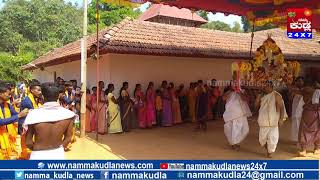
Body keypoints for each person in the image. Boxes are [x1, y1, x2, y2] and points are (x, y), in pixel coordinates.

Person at [24, 83, 75, 160]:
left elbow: (28, 142)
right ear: (58, 96)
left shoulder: (33, 114)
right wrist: (58, 149)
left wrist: (37, 151)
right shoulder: (68, 114)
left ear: (43, 96)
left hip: (38, 155)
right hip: (58, 154)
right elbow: (68, 138)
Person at [255, 81, 287, 158]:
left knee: (273, 138)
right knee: (262, 140)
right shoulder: (262, 96)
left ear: (271, 87)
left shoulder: (277, 95)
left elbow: (282, 107)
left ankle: (270, 151)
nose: (265, 88)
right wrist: (257, 98)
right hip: (263, 120)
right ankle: (268, 147)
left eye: (267, 86)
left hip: (274, 121)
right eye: (265, 86)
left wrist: (281, 119)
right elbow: (256, 107)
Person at [0, 83, 28, 159]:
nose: (10, 96)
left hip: (7, 136)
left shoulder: (7, 105)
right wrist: (19, 115)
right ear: (1, 94)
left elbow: (16, 115)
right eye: (8, 94)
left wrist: (28, 113)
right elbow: (1, 122)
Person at [222, 82, 251, 151]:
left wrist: (239, 92)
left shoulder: (242, 91)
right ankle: (234, 144)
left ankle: (235, 142)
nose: (235, 85)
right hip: (232, 114)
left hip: (242, 114)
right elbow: (223, 98)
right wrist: (232, 91)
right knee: (234, 130)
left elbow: (246, 99)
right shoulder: (228, 92)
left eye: (236, 83)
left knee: (245, 130)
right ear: (231, 85)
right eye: (233, 84)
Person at [19, 82, 42, 159]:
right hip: (26, 125)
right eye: (38, 90)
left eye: (40, 90)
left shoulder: (34, 98)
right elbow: (35, 112)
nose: (40, 92)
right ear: (32, 90)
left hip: (30, 124)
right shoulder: (27, 101)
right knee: (27, 144)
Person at [298, 79, 320, 156]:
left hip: (314, 114)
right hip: (308, 113)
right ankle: (310, 149)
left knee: (316, 131)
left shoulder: (316, 92)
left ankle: (316, 148)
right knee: (308, 131)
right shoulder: (307, 91)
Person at [290, 77, 304, 143]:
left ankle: (302, 140)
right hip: (295, 109)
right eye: (298, 81)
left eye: (301, 81)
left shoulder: (305, 89)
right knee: (295, 124)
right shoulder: (294, 89)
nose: (299, 82)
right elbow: (290, 98)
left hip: (302, 110)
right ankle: (296, 140)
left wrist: (296, 91)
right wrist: (292, 93)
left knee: (302, 124)